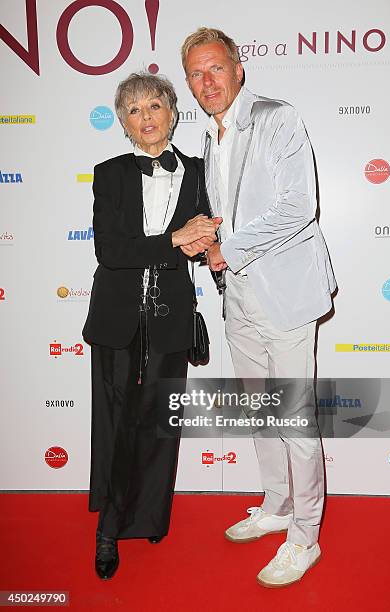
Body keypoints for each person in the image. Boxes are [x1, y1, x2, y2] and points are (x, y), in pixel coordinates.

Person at [181, 28, 337, 588]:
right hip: (238, 298)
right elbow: (232, 213)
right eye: (197, 74)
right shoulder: (208, 139)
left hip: (286, 294)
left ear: (238, 69)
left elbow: (299, 205)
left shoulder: (277, 117)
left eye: (216, 68)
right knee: (260, 412)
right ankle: (275, 504)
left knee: (294, 418)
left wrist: (231, 247)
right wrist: (207, 238)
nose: (207, 82)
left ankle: (305, 534)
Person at [82, 71, 221, 580]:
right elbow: (111, 251)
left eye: (153, 106)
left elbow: (205, 240)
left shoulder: (202, 172)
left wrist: (205, 239)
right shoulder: (109, 173)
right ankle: (109, 529)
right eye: (134, 110)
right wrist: (172, 241)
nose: (146, 117)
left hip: (169, 317)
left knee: (162, 422)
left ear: (171, 111)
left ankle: (149, 515)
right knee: (118, 424)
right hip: (117, 318)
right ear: (123, 122)